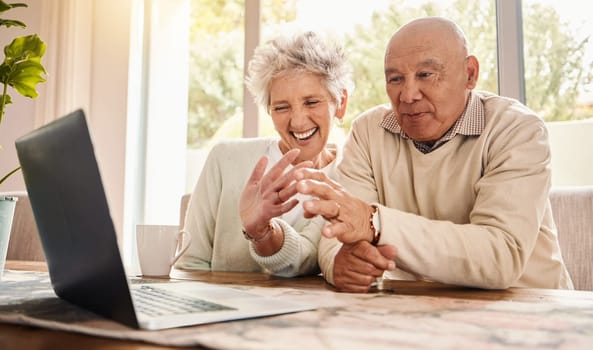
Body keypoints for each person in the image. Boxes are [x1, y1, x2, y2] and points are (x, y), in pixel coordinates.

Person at [294, 16, 574, 292]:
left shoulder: (516, 129)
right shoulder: (368, 131)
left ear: (470, 74)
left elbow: (500, 255)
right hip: (416, 310)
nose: (408, 94)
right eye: (395, 79)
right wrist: (339, 265)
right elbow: (337, 233)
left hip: (528, 310)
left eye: (426, 75)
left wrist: (375, 223)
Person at [175, 30, 354, 277]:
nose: (299, 120)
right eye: (281, 107)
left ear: (341, 103)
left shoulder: (351, 177)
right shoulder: (225, 160)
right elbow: (190, 264)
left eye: (312, 102)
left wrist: (262, 231)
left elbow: (309, 259)